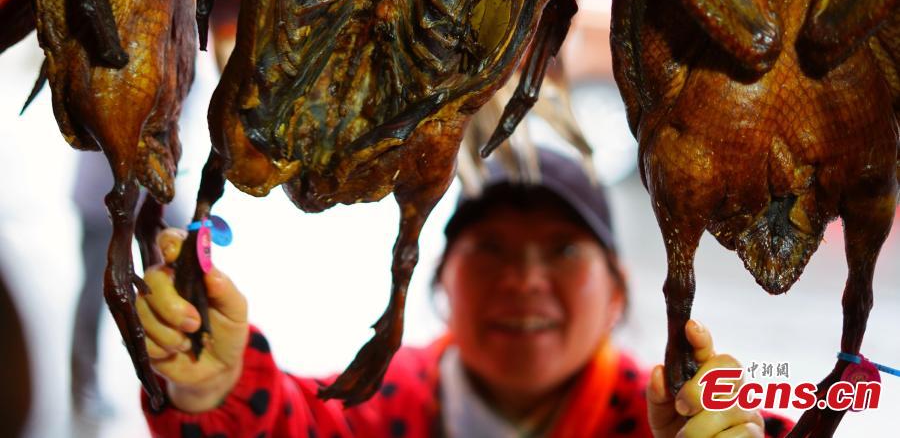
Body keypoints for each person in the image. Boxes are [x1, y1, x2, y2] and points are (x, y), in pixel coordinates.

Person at [137, 149, 793, 437]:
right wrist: (213, 391)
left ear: (618, 293)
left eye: (563, 250)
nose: (524, 279)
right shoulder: (383, 406)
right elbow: (290, 424)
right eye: (489, 249)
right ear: (442, 281)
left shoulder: (664, 422)